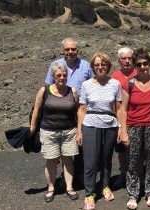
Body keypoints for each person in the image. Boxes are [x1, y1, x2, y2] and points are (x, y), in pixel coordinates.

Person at [77, 52, 125, 210]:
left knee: (106, 158)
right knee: (90, 161)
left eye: (103, 64)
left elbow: (119, 108)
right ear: (93, 67)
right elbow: (82, 109)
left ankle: (105, 185)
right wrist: (79, 131)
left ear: (108, 66)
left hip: (110, 124)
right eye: (97, 65)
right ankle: (90, 194)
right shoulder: (86, 85)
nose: (100, 67)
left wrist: (120, 127)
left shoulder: (115, 84)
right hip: (90, 124)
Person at [45, 37, 94, 187]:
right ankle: (63, 178)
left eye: (73, 49)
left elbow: (93, 85)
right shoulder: (55, 65)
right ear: (63, 50)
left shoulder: (86, 66)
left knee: (79, 144)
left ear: (77, 50)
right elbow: (48, 88)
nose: (70, 52)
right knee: (60, 147)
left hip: (81, 111)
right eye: (67, 49)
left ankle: (78, 176)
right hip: (60, 113)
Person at [121, 48, 150, 209]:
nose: (142, 67)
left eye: (145, 63)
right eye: (139, 64)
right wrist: (123, 131)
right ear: (134, 66)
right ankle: (133, 194)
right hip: (133, 126)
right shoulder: (130, 84)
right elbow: (123, 109)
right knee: (133, 161)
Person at [30, 62, 79, 203]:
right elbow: (37, 110)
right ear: (53, 76)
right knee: (51, 160)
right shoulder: (44, 90)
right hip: (49, 131)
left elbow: (77, 111)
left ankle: (69, 187)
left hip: (69, 131)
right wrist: (32, 128)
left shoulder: (73, 91)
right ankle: (51, 188)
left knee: (68, 159)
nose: (62, 77)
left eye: (64, 75)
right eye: (58, 75)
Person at [110, 47, 137, 189]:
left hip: (137, 117)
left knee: (137, 149)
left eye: (129, 58)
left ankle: (137, 174)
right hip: (119, 118)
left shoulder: (140, 73)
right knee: (121, 148)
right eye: (124, 59)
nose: (127, 61)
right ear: (119, 60)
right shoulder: (114, 77)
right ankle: (123, 173)